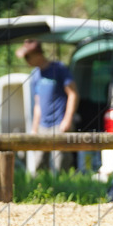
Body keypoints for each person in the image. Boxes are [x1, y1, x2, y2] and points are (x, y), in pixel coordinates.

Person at [18, 39, 78, 174]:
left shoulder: (59, 69)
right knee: (38, 163)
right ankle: (39, 192)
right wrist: (34, 129)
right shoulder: (35, 74)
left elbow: (73, 94)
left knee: (60, 163)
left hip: (60, 123)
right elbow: (37, 104)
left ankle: (63, 191)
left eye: (28, 56)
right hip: (43, 126)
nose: (26, 60)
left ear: (38, 54)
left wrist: (67, 120)